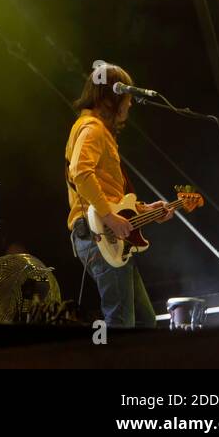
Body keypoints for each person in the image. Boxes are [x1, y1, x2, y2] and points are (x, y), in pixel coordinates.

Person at [65, 62, 173, 327]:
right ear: (111, 98)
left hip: (105, 234)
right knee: (121, 323)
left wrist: (148, 211)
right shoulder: (92, 128)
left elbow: (115, 201)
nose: (131, 104)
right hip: (99, 234)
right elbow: (80, 173)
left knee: (145, 323)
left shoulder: (97, 130)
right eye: (127, 98)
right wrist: (110, 219)